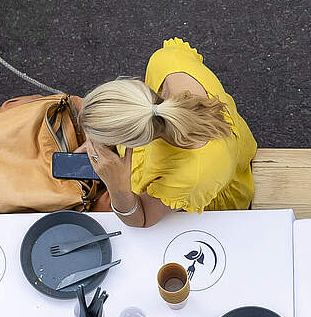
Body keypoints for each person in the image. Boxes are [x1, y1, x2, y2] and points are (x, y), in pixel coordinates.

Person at [78, 38, 259, 226]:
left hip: (205, 193)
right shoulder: (166, 61)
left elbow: (142, 219)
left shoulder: (192, 173)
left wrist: (117, 187)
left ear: (131, 143)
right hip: (229, 150)